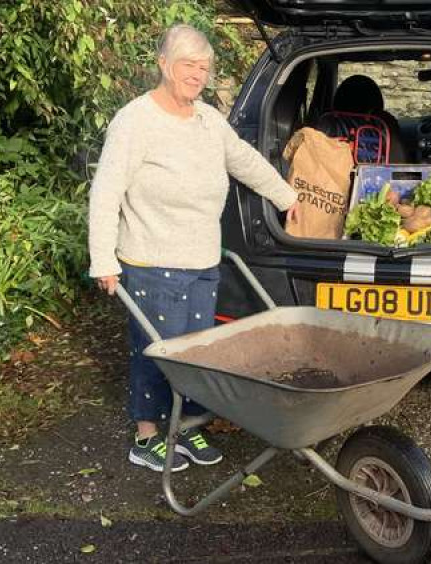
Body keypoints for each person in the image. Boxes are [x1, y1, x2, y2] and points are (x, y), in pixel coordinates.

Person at [87, 24, 300, 472]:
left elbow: (242, 159)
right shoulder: (135, 120)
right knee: (159, 349)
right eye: (188, 64)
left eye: (204, 67)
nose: (198, 74)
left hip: (203, 260)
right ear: (164, 64)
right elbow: (105, 192)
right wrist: (102, 258)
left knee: (198, 352)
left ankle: (185, 429)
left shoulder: (208, 119)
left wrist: (287, 197)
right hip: (151, 259)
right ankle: (147, 436)